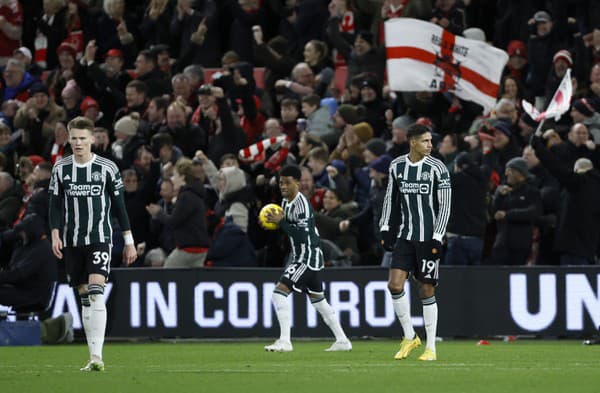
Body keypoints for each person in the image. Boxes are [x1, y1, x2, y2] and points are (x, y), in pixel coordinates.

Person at [48, 116, 137, 372]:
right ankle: (92, 356)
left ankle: (98, 357)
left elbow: (120, 208)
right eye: (74, 138)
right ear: (69, 137)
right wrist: (55, 234)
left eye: (82, 138)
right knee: (85, 297)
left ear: (92, 140)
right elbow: (54, 205)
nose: (78, 143)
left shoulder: (107, 168)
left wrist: (129, 242)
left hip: (100, 238)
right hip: (73, 241)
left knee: (97, 292)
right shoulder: (61, 169)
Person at [379, 123, 452, 361]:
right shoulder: (397, 166)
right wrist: (385, 227)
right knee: (394, 285)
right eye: (426, 141)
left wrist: (438, 236)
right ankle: (410, 337)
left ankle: (431, 347)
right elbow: (390, 198)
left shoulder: (437, 168)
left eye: (431, 141)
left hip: (428, 237)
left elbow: (445, 206)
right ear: (413, 142)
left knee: (426, 288)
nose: (431, 145)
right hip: (405, 235)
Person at [261, 164, 352, 352]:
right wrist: (275, 224)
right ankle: (343, 341)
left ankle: (285, 341)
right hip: (306, 255)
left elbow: (301, 236)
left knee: (279, 293)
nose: (283, 187)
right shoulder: (286, 202)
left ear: (297, 183)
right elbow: (290, 228)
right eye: (280, 183)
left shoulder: (301, 204)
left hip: (306, 257)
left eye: (287, 183)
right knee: (319, 302)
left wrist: (282, 223)